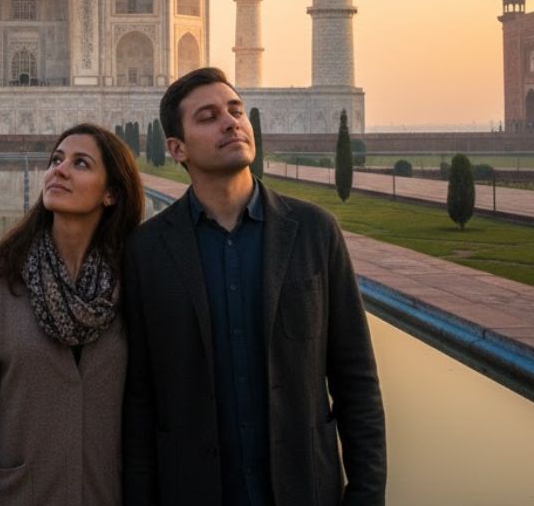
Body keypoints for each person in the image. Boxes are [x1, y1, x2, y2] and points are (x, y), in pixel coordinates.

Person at [122, 67, 386, 506]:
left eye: (236, 110)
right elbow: (141, 402)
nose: (231, 122)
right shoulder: (148, 252)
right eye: (208, 116)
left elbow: (356, 382)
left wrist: (365, 496)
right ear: (176, 148)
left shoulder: (313, 232)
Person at [0, 123, 145, 505]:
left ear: (111, 194)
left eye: (81, 163)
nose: (60, 169)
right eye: (56, 160)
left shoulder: (132, 282)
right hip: (20, 494)